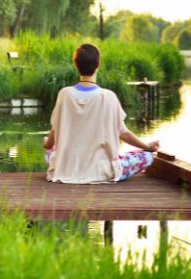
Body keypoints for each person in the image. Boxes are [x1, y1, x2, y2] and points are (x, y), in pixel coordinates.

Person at [43, 43, 160, 184]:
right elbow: (123, 134)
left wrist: (48, 144)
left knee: (51, 153)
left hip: (66, 170)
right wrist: (147, 147)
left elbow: (56, 129)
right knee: (147, 156)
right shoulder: (108, 96)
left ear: (75, 65)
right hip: (102, 171)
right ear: (98, 65)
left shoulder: (64, 94)